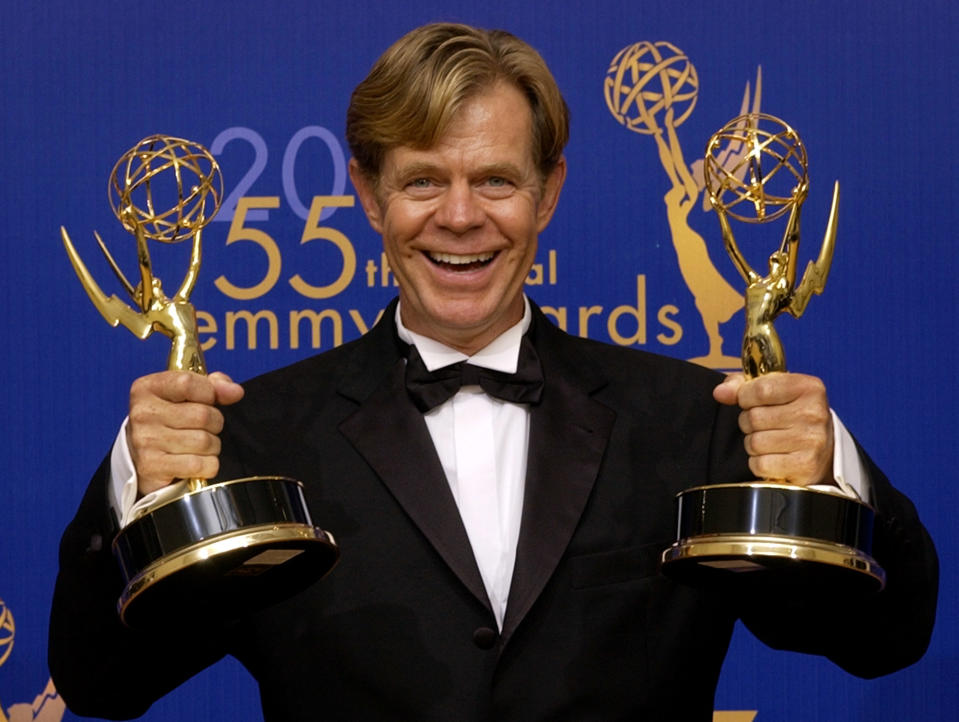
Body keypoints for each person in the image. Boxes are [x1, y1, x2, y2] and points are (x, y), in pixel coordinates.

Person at [49, 22, 937, 721]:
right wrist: (139, 481)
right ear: (367, 194)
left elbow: (884, 638)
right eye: (424, 181)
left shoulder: (694, 416)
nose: (461, 218)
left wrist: (827, 474)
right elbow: (100, 683)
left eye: (497, 182)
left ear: (548, 192)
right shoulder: (253, 435)